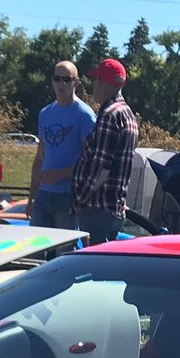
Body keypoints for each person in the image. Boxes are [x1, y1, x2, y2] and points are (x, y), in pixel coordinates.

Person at [69, 57, 139, 244]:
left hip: (97, 207)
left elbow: (101, 167)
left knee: (92, 268)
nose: (93, 85)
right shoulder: (128, 114)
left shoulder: (109, 115)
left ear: (103, 83)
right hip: (114, 206)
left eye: (96, 80)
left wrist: (80, 198)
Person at [27, 60, 94, 232]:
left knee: (64, 249)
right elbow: (40, 156)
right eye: (57, 79)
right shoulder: (45, 113)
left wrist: (60, 174)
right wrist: (31, 198)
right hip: (43, 194)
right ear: (52, 81)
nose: (61, 84)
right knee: (35, 248)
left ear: (76, 82)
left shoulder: (85, 116)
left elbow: (91, 161)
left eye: (67, 79)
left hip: (69, 196)